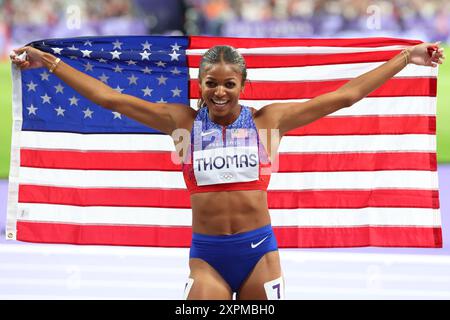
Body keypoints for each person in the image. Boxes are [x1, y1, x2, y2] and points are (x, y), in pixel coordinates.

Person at [10, 40, 445, 300]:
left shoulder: (268, 122)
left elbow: (345, 97)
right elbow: (110, 99)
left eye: (229, 83)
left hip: (260, 254)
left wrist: (405, 58)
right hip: (208, 259)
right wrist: (47, 62)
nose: (219, 91)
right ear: (201, 84)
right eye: (211, 83)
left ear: (242, 86)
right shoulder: (179, 122)